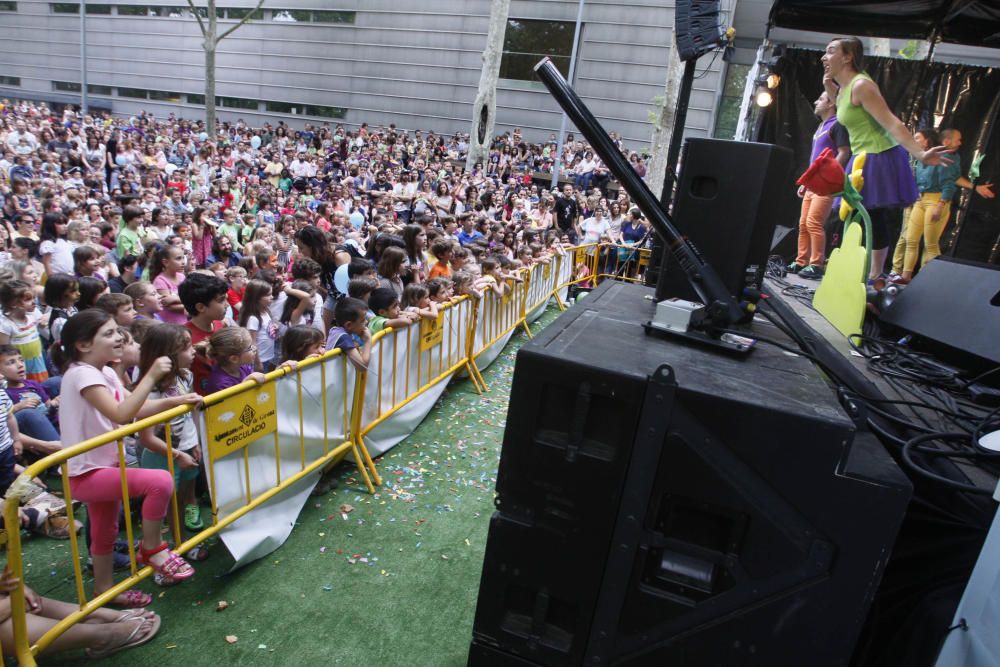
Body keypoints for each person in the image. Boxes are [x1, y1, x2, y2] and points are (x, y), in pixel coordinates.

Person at [53, 310, 199, 608]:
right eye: (108, 333)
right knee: (160, 480)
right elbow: (121, 414)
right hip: (86, 472)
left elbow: (134, 407)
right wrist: (153, 376)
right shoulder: (81, 373)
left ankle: (104, 592)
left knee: (105, 531)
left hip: (104, 466)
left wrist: (174, 400)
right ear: (83, 345)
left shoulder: (104, 372)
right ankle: (153, 548)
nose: (119, 337)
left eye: (117, 331)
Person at [822, 37, 952, 280]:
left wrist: (921, 153)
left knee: (871, 214)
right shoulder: (846, 89)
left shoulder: (862, 86)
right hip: (861, 156)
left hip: (878, 155)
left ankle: (875, 275)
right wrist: (828, 83)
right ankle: (861, 270)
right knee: (854, 215)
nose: (824, 57)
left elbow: (892, 122)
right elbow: (840, 107)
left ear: (848, 56)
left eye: (830, 51)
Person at [136, 325, 206, 541]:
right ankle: (179, 546)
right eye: (186, 347)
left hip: (186, 449)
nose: (193, 350)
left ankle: (182, 542)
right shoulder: (152, 389)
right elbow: (146, 438)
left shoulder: (185, 376)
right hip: (163, 455)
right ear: (167, 355)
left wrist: (195, 443)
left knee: (184, 498)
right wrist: (177, 454)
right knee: (171, 506)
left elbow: (188, 417)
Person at [790, 91, 851, 278]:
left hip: (825, 185)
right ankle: (801, 261)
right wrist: (808, 181)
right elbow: (815, 160)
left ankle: (816, 264)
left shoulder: (838, 125)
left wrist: (829, 175)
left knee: (813, 222)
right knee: (803, 224)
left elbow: (844, 152)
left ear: (831, 104)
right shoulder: (820, 127)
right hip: (814, 184)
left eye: (821, 99)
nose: (816, 101)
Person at [204, 328, 266, 394]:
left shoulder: (244, 367)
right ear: (234, 359)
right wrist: (246, 382)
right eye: (249, 348)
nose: (254, 348)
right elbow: (235, 402)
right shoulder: (219, 383)